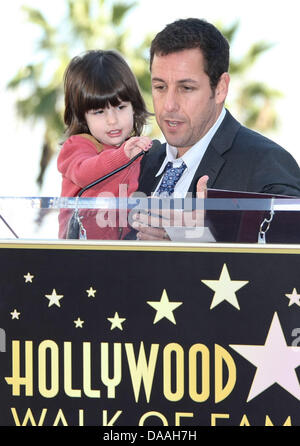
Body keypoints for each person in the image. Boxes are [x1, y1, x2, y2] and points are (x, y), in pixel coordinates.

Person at [131, 18, 300, 241]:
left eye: (186, 88)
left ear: (220, 89)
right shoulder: (141, 162)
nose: (169, 104)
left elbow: (290, 246)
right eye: (160, 87)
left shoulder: (264, 161)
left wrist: (208, 231)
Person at [57, 49, 152, 239]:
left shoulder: (137, 152)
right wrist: (122, 156)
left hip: (120, 254)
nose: (112, 120)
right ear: (82, 116)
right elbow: (84, 173)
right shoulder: (78, 146)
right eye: (99, 112)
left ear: (134, 107)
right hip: (78, 253)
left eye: (121, 107)